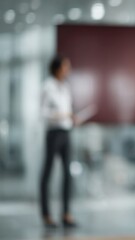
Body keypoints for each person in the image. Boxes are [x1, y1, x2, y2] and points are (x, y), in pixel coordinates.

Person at [40, 56, 77, 228]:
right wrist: (63, 115)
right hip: (53, 132)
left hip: (66, 131)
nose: (68, 70)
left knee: (67, 174)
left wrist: (71, 118)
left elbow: (67, 110)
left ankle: (66, 213)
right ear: (57, 69)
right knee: (47, 173)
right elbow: (44, 113)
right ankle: (46, 214)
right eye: (65, 66)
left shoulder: (66, 87)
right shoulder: (48, 86)